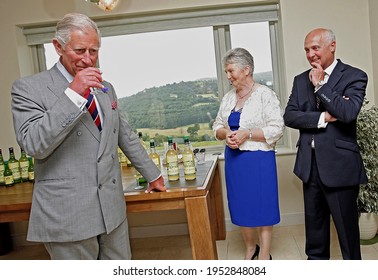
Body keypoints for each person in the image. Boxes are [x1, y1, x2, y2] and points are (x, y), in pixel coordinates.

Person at [11, 13, 166, 260]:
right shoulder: (28, 88)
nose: (88, 59)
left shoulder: (106, 88)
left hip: (111, 210)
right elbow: (34, 144)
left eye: (94, 51)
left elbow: (122, 133)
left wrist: (153, 174)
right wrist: (74, 94)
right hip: (67, 215)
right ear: (58, 47)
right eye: (80, 50)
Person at [283, 28, 368, 260]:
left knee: (348, 241)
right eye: (307, 50)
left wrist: (321, 86)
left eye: (315, 48)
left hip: (340, 169)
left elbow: (348, 112)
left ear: (332, 46)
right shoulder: (301, 80)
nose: (310, 54)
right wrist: (323, 118)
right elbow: (289, 116)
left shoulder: (355, 76)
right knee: (315, 242)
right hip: (309, 169)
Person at [213, 48, 284, 260]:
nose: (228, 76)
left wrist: (248, 134)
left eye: (230, 71)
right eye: (226, 71)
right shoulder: (227, 98)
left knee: (263, 207)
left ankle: (264, 255)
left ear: (246, 69)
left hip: (259, 160)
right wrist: (226, 134)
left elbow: (277, 128)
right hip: (235, 161)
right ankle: (250, 248)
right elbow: (217, 125)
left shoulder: (265, 95)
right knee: (241, 206)